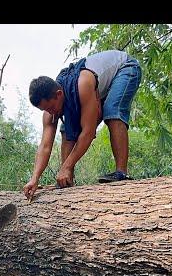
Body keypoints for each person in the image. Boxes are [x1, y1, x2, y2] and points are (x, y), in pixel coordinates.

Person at [23, 50, 142, 200]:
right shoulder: (49, 110)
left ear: (59, 94)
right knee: (68, 129)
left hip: (125, 68)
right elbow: (45, 146)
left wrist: (66, 166)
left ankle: (121, 173)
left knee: (112, 111)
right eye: (45, 110)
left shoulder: (83, 84)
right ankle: (66, 181)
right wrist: (34, 178)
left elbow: (88, 132)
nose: (50, 113)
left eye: (51, 107)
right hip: (99, 88)